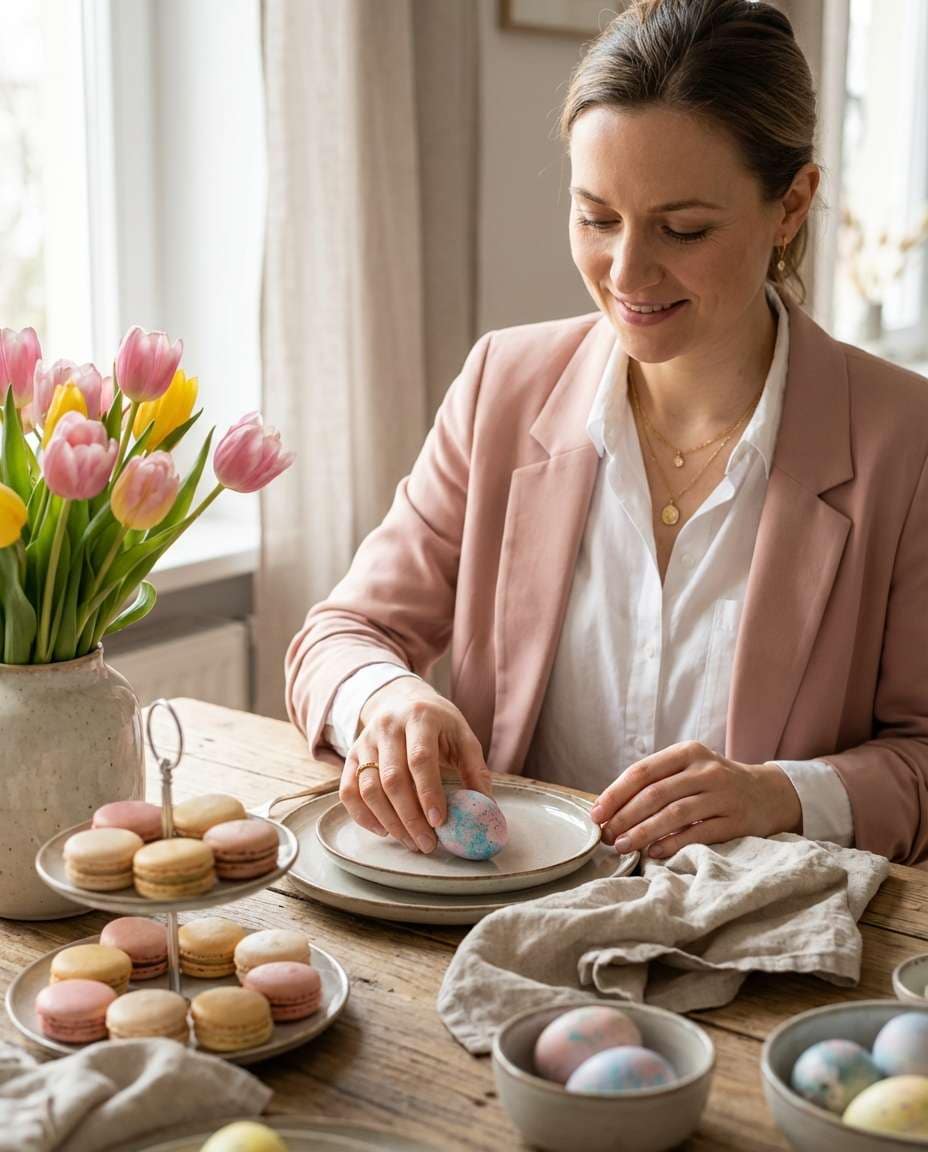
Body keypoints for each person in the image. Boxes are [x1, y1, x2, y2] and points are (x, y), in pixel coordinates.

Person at [285, 0, 928, 866]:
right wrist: (385, 699)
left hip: (762, 959)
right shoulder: (502, 388)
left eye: (683, 228)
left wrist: (780, 794)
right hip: (503, 928)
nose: (627, 272)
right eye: (596, 218)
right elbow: (338, 636)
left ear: (792, 206)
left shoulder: (903, 441)